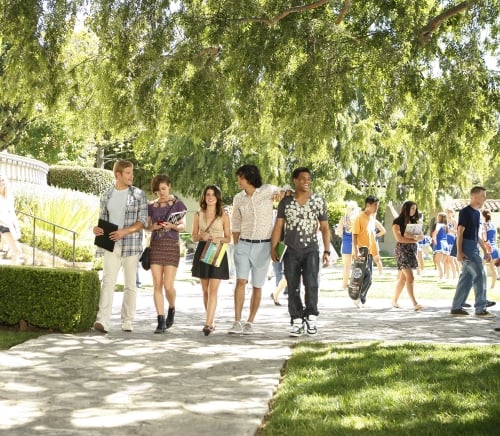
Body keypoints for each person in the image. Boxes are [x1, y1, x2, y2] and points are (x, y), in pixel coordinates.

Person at [271, 167, 330, 337]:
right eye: (302, 178)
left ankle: (311, 317)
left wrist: (326, 251)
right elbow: (279, 226)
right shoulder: (286, 203)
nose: (306, 181)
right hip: (290, 250)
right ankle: (296, 320)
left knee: (312, 284)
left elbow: (325, 228)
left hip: (311, 249)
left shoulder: (318, 201)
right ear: (295, 180)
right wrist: (273, 248)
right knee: (293, 286)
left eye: (309, 178)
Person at [93, 160, 148, 333]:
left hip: (131, 244)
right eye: (128, 173)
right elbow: (102, 220)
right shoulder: (107, 195)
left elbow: (143, 221)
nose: (132, 176)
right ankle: (103, 320)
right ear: (118, 175)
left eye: (132, 173)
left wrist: (125, 231)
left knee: (130, 284)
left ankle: (127, 321)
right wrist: (97, 229)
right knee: (108, 281)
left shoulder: (139, 195)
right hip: (110, 243)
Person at [228, 164, 281, 335]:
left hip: (263, 246)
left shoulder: (267, 191)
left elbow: (286, 188)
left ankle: (250, 321)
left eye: (240, 177)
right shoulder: (238, 198)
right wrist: (236, 245)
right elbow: (235, 222)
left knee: (257, 285)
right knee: (240, 281)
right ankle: (237, 321)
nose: (238, 181)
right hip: (243, 244)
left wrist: (282, 192)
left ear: (249, 177)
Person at [146, 175, 187, 333]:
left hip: (171, 245)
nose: (161, 192)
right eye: (158, 190)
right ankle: (160, 320)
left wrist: (173, 226)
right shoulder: (152, 206)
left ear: (169, 186)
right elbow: (147, 226)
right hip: (156, 245)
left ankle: (171, 307)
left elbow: (183, 226)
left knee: (168, 285)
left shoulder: (178, 204)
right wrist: (153, 227)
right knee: (157, 283)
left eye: (163, 188)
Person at [191, 185, 231, 335]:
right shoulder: (197, 214)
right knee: (205, 290)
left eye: (213, 194)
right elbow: (193, 236)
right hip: (203, 250)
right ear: (204, 196)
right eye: (207, 194)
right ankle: (211, 319)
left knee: (213, 289)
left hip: (217, 251)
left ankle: (208, 323)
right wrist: (202, 236)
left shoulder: (223, 215)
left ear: (218, 197)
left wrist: (217, 238)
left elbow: (228, 238)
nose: (210, 197)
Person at [450, 186, 495, 317]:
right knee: (480, 275)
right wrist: (459, 252)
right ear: (474, 196)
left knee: (467, 278)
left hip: (473, 245)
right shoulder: (465, 212)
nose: (484, 199)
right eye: (482, 196)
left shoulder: (477, 213)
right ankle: (481, 308)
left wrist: (485, 250)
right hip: (466, 247)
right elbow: (460, 232)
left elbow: (477, 235)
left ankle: (456, 307)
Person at [391, 201, 424, 310]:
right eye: (412, 208)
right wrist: (414, 239)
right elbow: (399, 238)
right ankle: (415, 303)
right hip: (402, 251)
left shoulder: (415, 221)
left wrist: (412, 237)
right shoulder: (397, 222)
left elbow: (421, 236)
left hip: (412, 251)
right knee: (410, 277)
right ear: (406, 209)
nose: (414, 211)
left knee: (403, 278)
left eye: (415, 209)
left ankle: (394, 300)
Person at [351, 195, 379, 307]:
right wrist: (356, 251)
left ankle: (361, 299)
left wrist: (375, 253)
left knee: (369, 279)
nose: (377, 207)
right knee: (366, 275)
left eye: (378, 205)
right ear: (368, 205)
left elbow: (372, 237)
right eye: (375, 205)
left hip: (370, 252)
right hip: (361, 251)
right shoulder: (359, 218)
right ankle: (357, 296)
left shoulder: (371, 219)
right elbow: (354, 236)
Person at [337, 201, 360, 291]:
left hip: (346, 244)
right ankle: (355, 284)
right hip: (356, 244)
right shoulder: (357, 219)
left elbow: (339, 233)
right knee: (357, 266)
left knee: (346, 266)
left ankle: (344, 285)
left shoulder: (343, 219)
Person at [0, 174, 22, 265]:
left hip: (7, 225)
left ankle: (11, 271)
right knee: (17, 251)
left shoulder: (8, 197)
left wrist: (16, 227)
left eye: (3, 180)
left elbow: (12, 213)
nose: (2, 182)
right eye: (0, 180)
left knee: (17, 251)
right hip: (3, 224)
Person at [482, 209, 499, 290]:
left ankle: (482, 285)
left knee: (481, 266)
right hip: (494, 247)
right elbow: (495, 238)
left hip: (488, 247)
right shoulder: (493, 225)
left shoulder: (484, 225)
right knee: (493, 267)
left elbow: (484, 238)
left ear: (483, 216)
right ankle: (492, 286)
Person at [432, 212, 449, 282]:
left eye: (438, 216)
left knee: (438, 262)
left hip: (440, 243)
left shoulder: (438, 225)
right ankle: (443, 276)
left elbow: (435, 234)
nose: (437, 217)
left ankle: (441, 277)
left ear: (440, 217)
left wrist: (434, 241)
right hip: (445, 244)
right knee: (442, 262)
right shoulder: (446, 226)